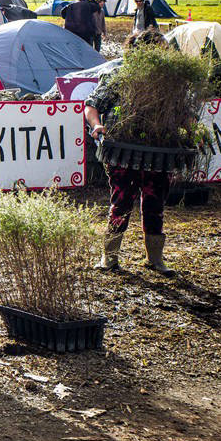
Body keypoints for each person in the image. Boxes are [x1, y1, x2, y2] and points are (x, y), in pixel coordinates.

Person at [85, 29, 174, 275]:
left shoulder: (170, 79)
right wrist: (97, 125)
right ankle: (109, 258)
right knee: (121, 204)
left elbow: (183, 112)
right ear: (140, 52)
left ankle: (155, 259)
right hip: (122, 154)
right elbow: (92, 106)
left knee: (155, 206)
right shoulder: (119, 75)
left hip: (158, 155)